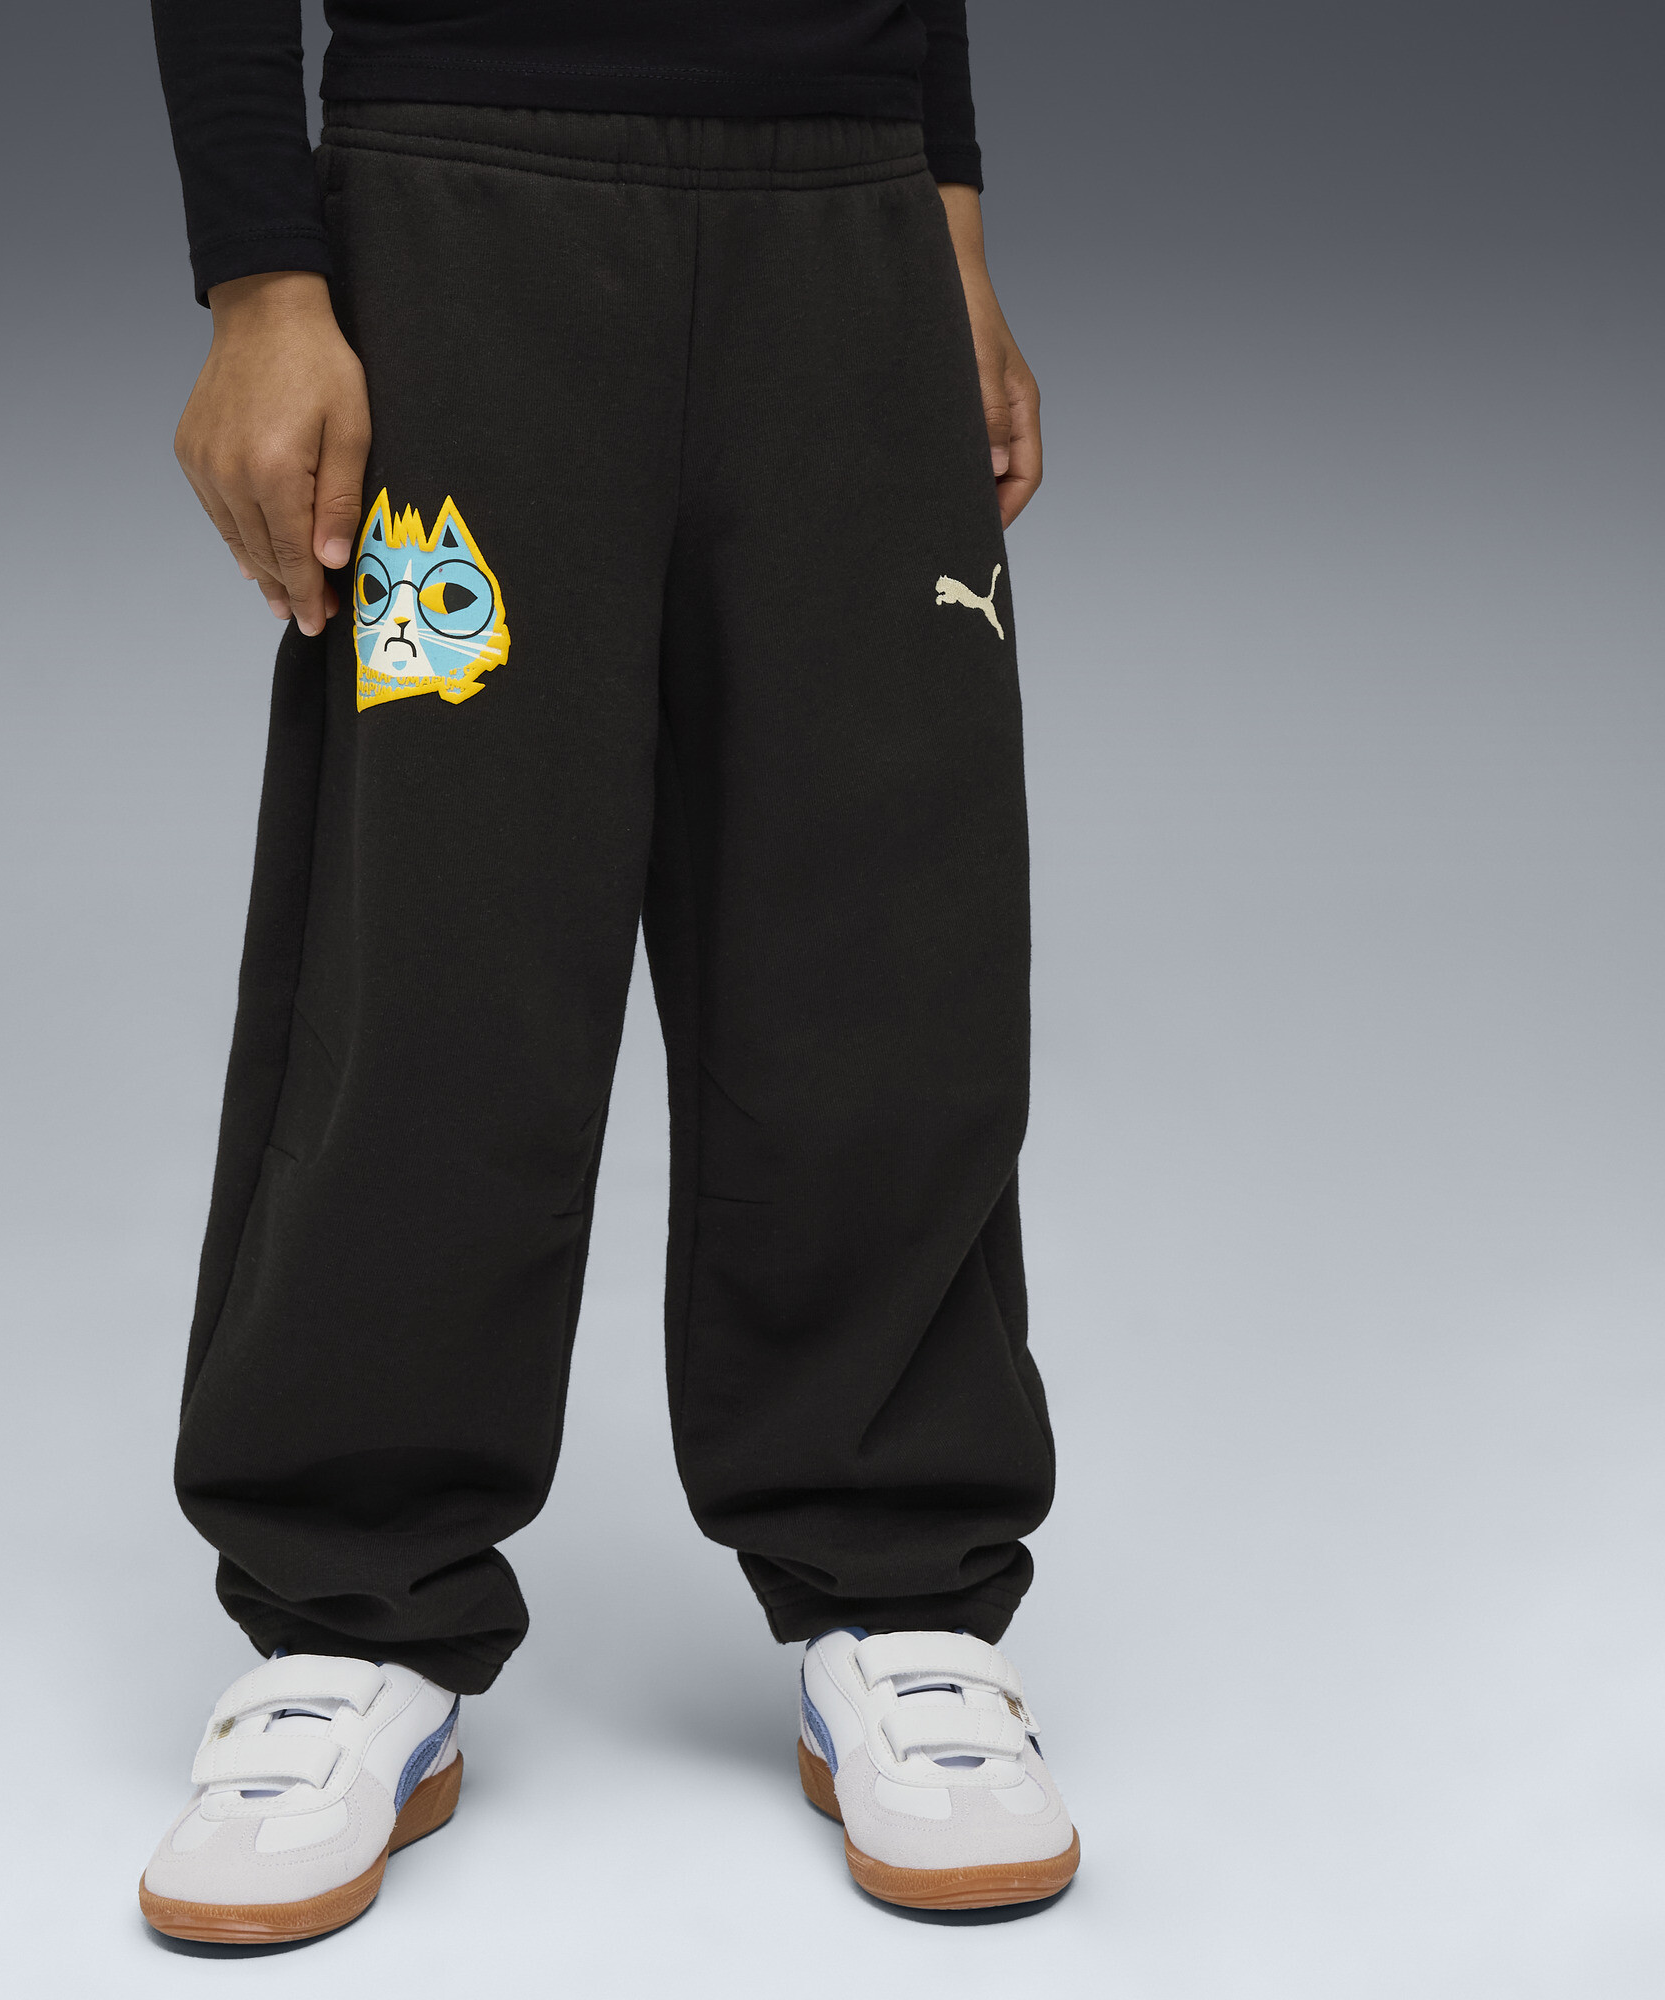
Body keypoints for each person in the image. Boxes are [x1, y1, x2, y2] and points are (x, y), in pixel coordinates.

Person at [139, 0, 1076, 1939]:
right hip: (460, 198)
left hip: (847, 210)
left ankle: (898, 1580)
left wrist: (952, 216)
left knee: (883, 932)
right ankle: (348, 1606)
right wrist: (257, 272)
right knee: (435, 939)